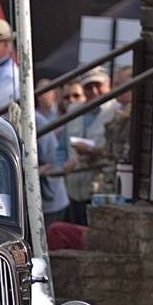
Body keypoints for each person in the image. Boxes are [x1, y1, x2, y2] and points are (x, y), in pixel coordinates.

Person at [63, 66, 119, 225]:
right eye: (88, 87)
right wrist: (60, 164)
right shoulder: (73, 110)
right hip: (73, 188)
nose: (94, 91)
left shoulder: (116, 111)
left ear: (108, 85)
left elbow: (117, 151)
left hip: (99, 188)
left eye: (98, 85)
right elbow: (61, 148)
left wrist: (90, 150)